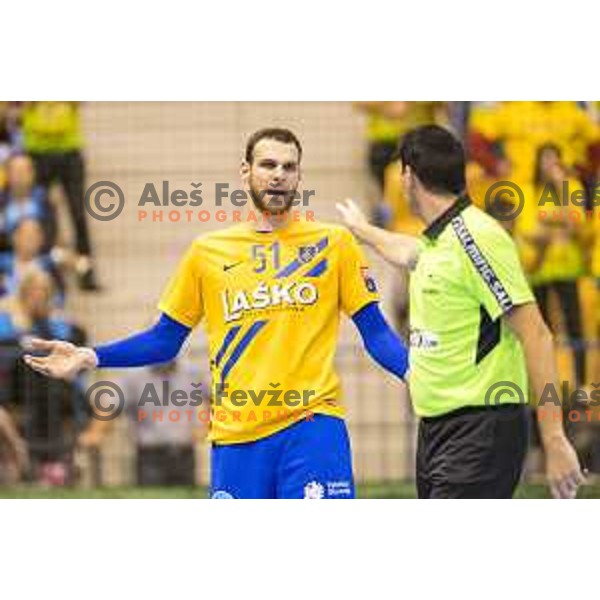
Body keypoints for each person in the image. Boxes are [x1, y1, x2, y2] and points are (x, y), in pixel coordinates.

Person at [22, 127, 409, 499]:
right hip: (237, 437)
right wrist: (91, 356)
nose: (278, 176)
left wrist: (416, 372)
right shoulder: (208, 251)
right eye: (268, 165)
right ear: (246, 172)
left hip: (312, 425)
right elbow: (164, 339)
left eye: (289, 167)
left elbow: (374, 332)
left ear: (299, 176)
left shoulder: (334, 243)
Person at [337, 124, 584, 499]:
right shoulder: (439, 239)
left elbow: (537, 334)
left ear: (407, 176)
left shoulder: (477, 236)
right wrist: (361, 229)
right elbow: (405, 250)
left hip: (480, 427)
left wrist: (554, 439)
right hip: (438, 426)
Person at [0, 269, 88, 485]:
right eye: (33, 291)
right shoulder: (7, 320)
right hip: (14, 387)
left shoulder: (58, 324)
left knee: (55, 390)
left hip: (50, 387)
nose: (38, 296)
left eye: (43, 292)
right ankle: (43, 459)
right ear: (23, 293)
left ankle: (52, 460)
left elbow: (71, 351)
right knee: (44, 386)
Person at [79, 360, 208, 486]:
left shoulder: (191, 372)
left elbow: (214, 398)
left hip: (184, 455)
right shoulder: (134, 376)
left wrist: (206, 426)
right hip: (150, 458)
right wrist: (95, 432)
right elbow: (111, 406)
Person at [20, 102, 99, 291]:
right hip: (37, 150)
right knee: (41, 216)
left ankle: (86, 273)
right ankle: (48, 275)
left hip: (68, 148)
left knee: (78, 214)